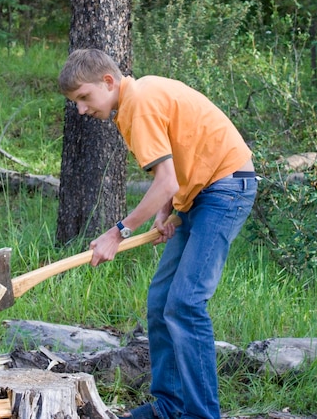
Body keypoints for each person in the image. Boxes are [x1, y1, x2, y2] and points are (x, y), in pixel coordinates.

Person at [58, 48, 258, 419]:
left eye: (84, 98)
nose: (82, 110)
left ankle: (200, 414)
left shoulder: (139, 103)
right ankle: (170, 405)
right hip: (202, 192)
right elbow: (174, 168)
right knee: (161, 300)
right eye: (76, 103)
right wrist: (167, 212)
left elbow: (166, 181)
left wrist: (118, 233)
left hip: (226, 190)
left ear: (108, 81)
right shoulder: (135, 100)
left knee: (185, 303)